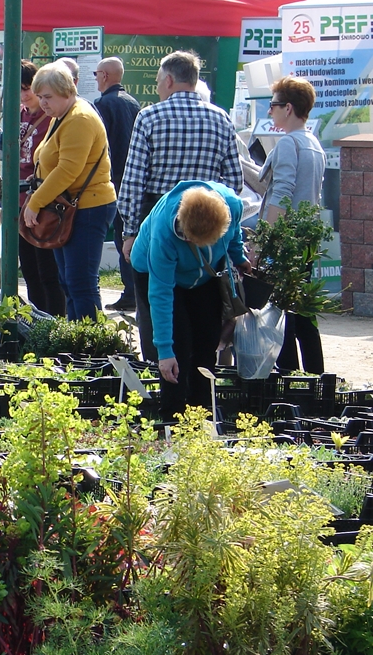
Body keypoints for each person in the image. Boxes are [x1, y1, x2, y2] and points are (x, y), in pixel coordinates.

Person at [118, 50, 242, 361]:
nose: (159, 88)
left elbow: (133, 181)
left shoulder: (149, 117)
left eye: (160, 82)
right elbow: (234, 181)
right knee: (201, 302)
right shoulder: (221, 118)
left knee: (154, 300)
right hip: (209, 222)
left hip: (156, 219)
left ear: (170, 80)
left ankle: (161, 366)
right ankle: (200, 375)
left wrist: (130, 231)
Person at [130, 182, 251, 420]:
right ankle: (171, 419)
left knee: (208, 340)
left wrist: (239, 257)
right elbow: (160, 294)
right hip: (158, 276)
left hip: (204, 276)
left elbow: (235, 233)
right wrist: (164, 351)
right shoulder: (164, 234)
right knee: (179, 346)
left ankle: (200, 414)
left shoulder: (232, 205)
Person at [23, 62, 116, 320]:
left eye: (48, 97)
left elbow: (67, 170)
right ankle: (75, 342)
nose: (42, 103)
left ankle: (88, 349)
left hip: (88, 207)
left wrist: (35, 202)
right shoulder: (62, 115)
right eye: (40, 97)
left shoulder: (79, 117)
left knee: (80, 283)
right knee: (67, 281)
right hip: (70, 206)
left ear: (66, 90)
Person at [259, 76, 327, 375]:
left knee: (281, 312)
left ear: (288, 107)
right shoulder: (313, 143)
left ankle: (288, 376)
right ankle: (316, 378)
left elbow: (282, 193)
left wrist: (265, 239)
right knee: (304, 312)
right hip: (307, 240)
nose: (269, 112)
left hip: (285, 242)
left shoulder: (288, 143)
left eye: (272, 106)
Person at [17, 59, 64, 316]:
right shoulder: (19, 115)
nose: (25, 95)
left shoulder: (51, 118)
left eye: (28, 89)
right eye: (20, 90)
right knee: (30, 271)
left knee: (48, 271)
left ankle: (54, 321)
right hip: (20, 198)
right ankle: (37, 321)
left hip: (44, 200)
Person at [94, 57, 141, 312]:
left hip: (112, 178)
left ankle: (130, 290)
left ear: (104, 76)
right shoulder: (133, 103)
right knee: (131, 233)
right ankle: (134, 288)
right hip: (133, 177)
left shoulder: (103, 104)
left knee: (120, 234)